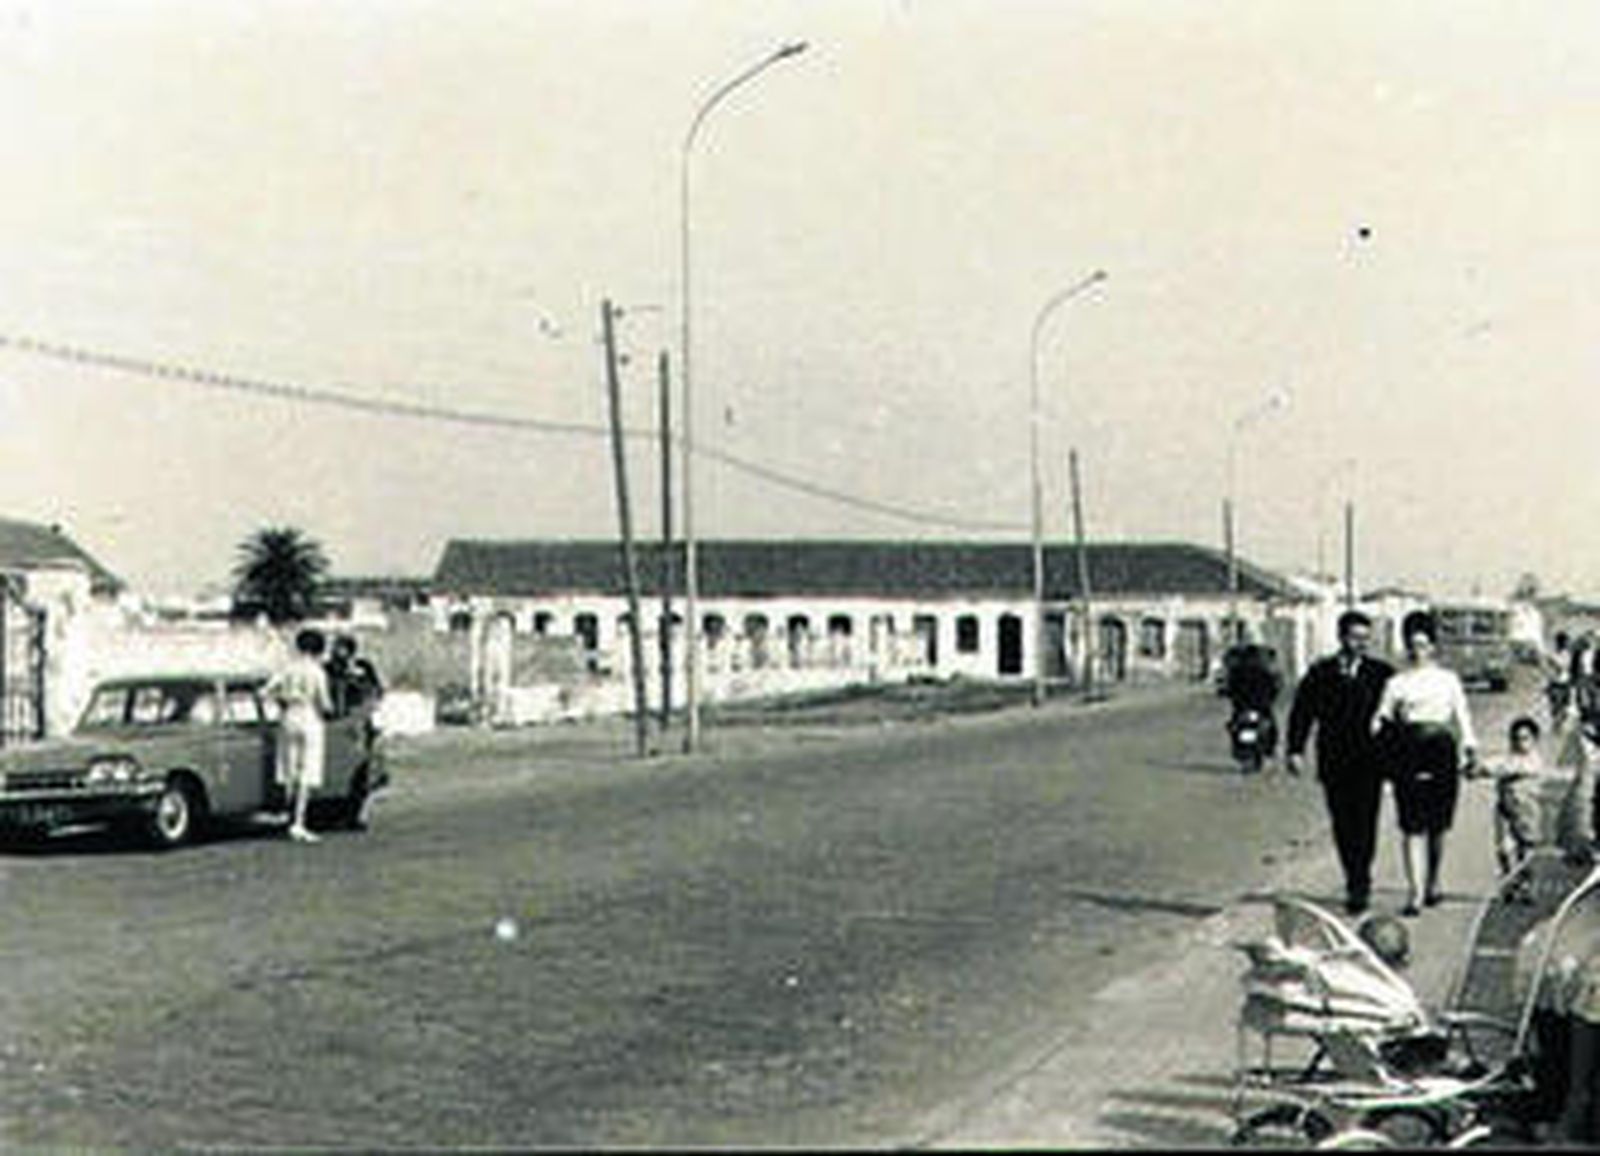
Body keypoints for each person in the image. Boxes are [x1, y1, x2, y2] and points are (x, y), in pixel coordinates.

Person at [1286, 609, 1396, 915]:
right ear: (1341, 637)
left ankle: (1360, 883)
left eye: (1365, 638)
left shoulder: (1381, 673)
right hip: (1334, 760)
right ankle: (1353, 875)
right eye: (1354, 637)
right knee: (1342, 824)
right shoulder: (1321, 672)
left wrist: (1397, 759)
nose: (1360, 643)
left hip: (1370, 762)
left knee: (1366, 823)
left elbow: (1395, 719)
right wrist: (1295, 749)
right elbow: (1302, 711)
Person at [1371, 609, 1479, 917]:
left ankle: (1433, 881)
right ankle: (1415, 892)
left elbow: (1463, 717)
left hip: (1441, 751)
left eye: (1423, 644)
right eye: (1412, 644)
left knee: (1437, 826)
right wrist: (1389, 729)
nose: (1417, 651)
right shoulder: (1396, 683)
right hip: (1408, 751)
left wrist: (1470, 749)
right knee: (1411, 826)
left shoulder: (1448, 680)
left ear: (1433, 646)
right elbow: (1379, 719)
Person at [1470, 715, 1565, 894]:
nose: (1520, 743)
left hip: (1527, 810)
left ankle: (1526, 885)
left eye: (1525, 738)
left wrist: (1487, 771)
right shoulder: (1507, 757)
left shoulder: (1534, 760)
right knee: (1503, 848)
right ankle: (1509, 879)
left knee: (1526, 849)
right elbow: (1492, 764)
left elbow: (1513, 769)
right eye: (1516, 738)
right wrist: (1475, 767)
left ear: (1534, 740)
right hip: (1504, 808)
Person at [263, 627, 334, 844]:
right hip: (309, 717)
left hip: (288, 717)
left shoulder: (287, 668)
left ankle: (289, 816)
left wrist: (282, 701)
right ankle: (298, 822)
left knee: (289, 769)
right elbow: (324, 702)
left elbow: (266, 690)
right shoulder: (317, 672)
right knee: (308, 771)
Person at [1224, 642, 1283, 758]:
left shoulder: (1238, 671)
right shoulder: (1261, 671)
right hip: (1252, 707)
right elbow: (1274, 688)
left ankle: (1269, 747)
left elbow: (1229, 688)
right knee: (1235, 724)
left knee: (1268, 724)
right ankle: (1270, 748)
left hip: (1249, 707)